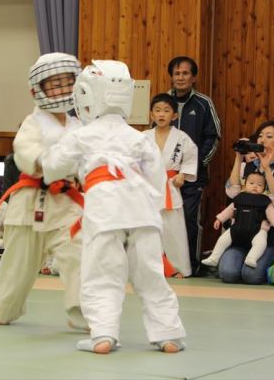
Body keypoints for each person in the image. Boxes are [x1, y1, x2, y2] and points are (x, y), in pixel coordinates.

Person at [42, 60, 186, 355]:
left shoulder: (81, 135)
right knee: (151, 275)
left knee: (102, 275)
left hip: (105, 211)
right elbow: (158, 180)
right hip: (143, 211)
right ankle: (169, 335)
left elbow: (52, 167)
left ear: (87, 96)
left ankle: (103, 336)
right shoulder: (138, 137)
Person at [0, 52, 86, 330]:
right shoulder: (33, 123)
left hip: (67, 203)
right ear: (38, 90)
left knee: (79, 253)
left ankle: (83, 311)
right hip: (30, 203)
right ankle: (5, 309)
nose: (63, 89)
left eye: (68, 82)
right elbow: (26, 154)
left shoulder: (78, 125)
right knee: (19, 264)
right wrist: (51, 163)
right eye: (55, 84)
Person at [219, 120, 274, 284]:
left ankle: (272, 256)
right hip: (240, 232)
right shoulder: (245, 167)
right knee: (228, 273)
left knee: (251, 276)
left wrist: (266, 168)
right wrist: (238, 158)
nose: (263, 140)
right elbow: (232, 193)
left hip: (267, 236)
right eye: (260, 136)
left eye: (269, 136)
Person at [167, 56, 221, 275]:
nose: (180, 77)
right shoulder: (164, 102)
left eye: (185, 73)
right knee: (165, 219)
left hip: (193, 178)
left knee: (190, 219)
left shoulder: (203, 103)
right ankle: (168, 265)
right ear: (172, 77)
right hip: (166, 177)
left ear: (194, 77)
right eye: (176, 73)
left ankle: (192, 265)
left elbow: (213, 138)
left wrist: (193, 168)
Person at [144, 93, 198, 277]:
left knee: (174, 230)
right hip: (148, 188)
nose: (161, 114)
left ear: (174, 115)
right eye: (157, 110)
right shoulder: (143, 137)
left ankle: (178, 268)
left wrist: (183, 174)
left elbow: (190, 158)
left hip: (170, 187)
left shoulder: (182, 138)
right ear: (151, 114)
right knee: (147, 230)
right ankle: (149, 268)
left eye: (166, 110)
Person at [202, 171, 274, 268]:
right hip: (237, 228)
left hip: (258, 230)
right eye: (251, 183)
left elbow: (272, 215)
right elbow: (229, 210)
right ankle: (214, 258)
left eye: (259, 185)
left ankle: (251, 258)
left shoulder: (265, 201)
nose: (255, 186)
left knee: (261, 243)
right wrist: (219, 219)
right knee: (223, 239)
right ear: (245, 185)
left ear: (264, 188)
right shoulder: (239, 198)